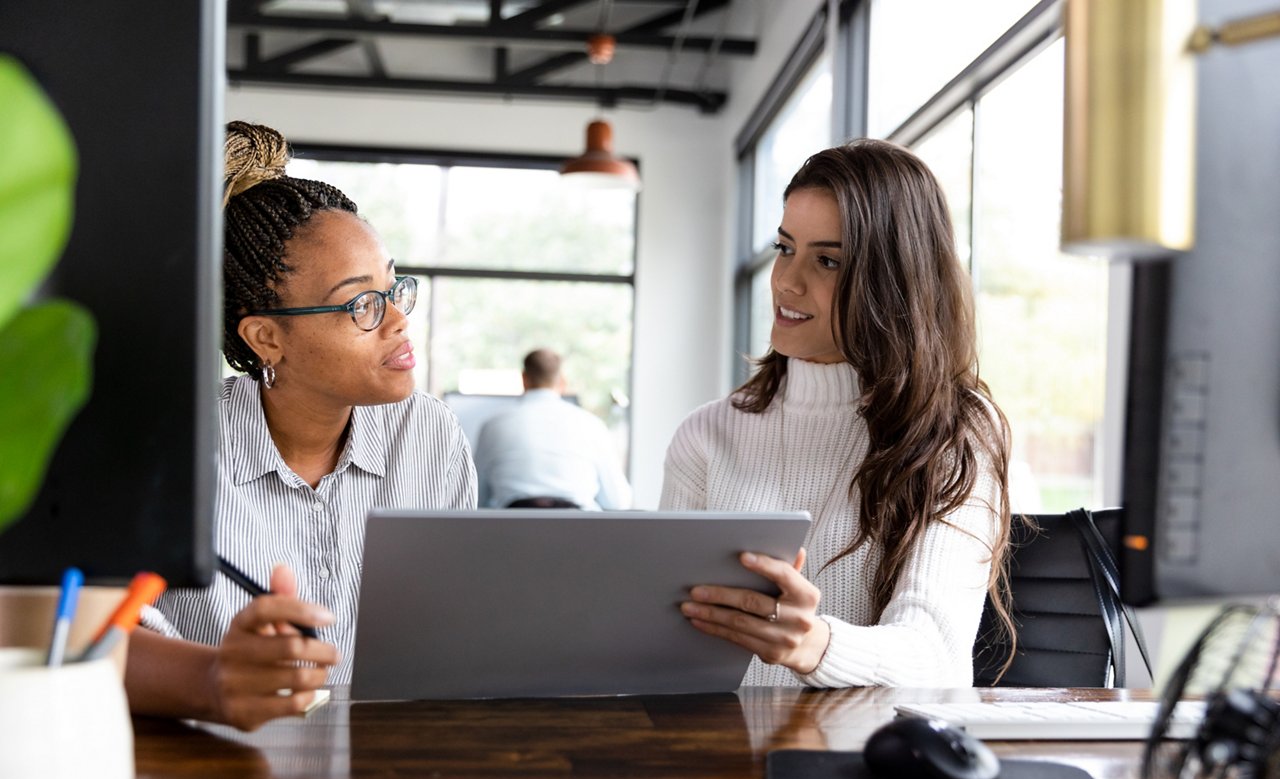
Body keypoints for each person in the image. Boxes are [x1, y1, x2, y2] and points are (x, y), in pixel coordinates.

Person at [129, 121, 476, 731]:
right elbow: (100, 634)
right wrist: (211, 679)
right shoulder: (169, 449)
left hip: (390, 759)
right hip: (210, 767)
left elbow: (458, 622)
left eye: (393, 287)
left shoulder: (429, 435)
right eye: (360, 303)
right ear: (267, 337)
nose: (397, 319)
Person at [661, 138, 1014, 689]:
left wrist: (814, 644)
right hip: (718, 759)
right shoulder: (706, 434)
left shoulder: (955, 433)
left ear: (894, 283)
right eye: (784, 248)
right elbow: (667, 642)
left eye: (827, 260)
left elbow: (936, 657)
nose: (786, 281)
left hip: (863, 764)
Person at [473, 348, 631, 510]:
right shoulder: (591, 424)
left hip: (511, 530)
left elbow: (474, 497)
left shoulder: (493, 425)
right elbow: (617, 502)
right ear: (562, 382)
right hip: (578, 529)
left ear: (524, 379)